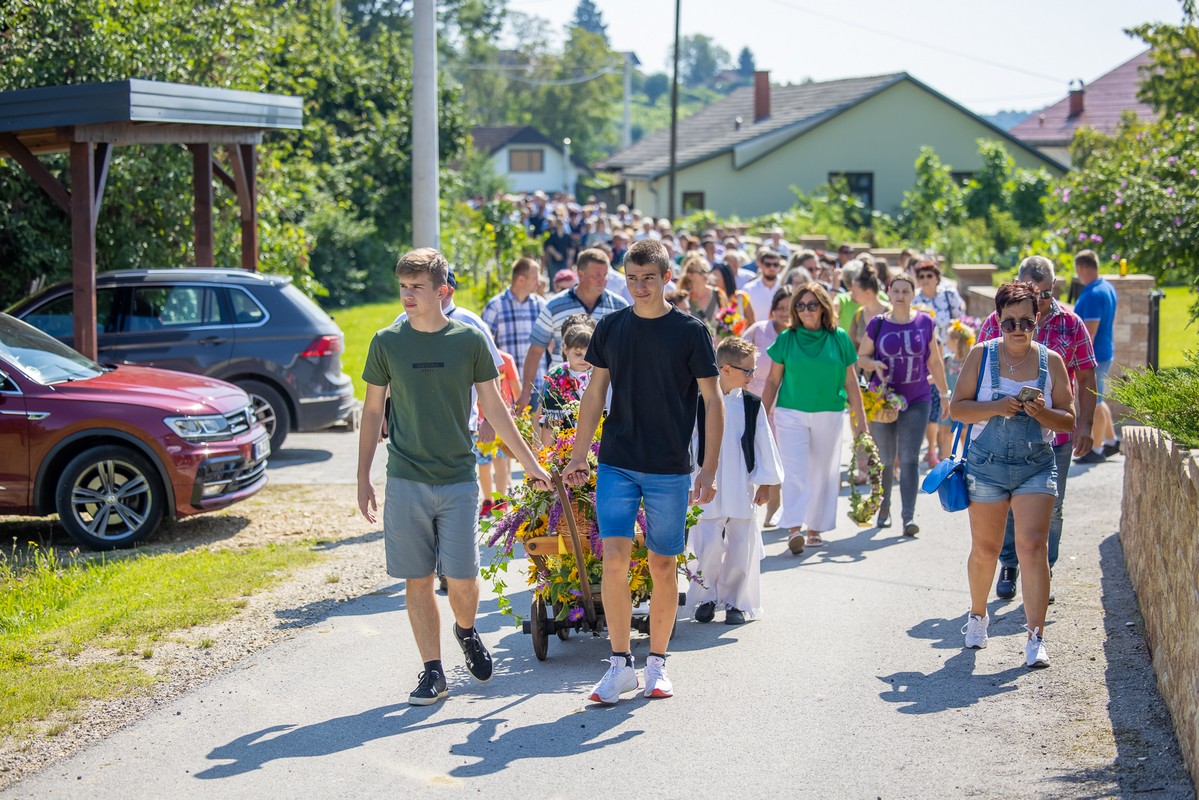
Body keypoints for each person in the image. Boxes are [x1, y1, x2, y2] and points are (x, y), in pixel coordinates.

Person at [357, 248, 552, 706]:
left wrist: (530, 463)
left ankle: (466, 630)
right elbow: (370, 412)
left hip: (460, 477)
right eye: (402, 286)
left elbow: (496, 410)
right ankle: (433, 671)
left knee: (462, 579)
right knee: (418, 578)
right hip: (405, 476)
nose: (407, 295)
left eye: (416, 287)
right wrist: (363, 476)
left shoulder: (469, 341)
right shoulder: (387, 342)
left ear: (442, 292)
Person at [563, 239, 723, 704]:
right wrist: (578, 455)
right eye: (631, 279)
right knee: (612, 557)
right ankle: (619, 665)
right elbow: (594, 395)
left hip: (670, 466)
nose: (639, 287)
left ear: (666, 278)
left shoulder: (690, 332)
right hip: (617, 460)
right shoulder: (611, 327)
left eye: (648, 278)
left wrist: (708, 469)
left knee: (661, 562)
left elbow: (713, 401)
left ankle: (657, 664)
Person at [950, 282, 1076, 668]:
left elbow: (1068, 418)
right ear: (998, 322)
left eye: (1026, 321)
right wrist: (997, 406)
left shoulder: (1050, 360)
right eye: (1009, 322)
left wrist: (1042, 413)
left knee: (1033, 546)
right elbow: (957, 409)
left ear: (1037, 321)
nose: (1018, 329)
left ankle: (1036, 637)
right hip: (986, 465)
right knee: (986, 550)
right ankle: (977, 616)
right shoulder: (980, 354)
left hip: (1035, 464)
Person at [976, 256, 1097, 604]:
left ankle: (1044, 568)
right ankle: (1011, 565)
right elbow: (977, 367)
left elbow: (1087, 376)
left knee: (1053, 507)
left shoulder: (1071, 323)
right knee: (1008, 505)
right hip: (1001, 434)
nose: (1038, 300)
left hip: (1054, 437)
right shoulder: (994, 322)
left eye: (1043, 294)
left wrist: (1085, 425)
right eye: (1031, 291)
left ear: (1053, 287)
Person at [763, 284, 868, 553]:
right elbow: (774, 380)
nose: (806, 310)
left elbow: (851, 381)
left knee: (824, 473)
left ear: (823, 307)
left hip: (829, 413)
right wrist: (758, 416)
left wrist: (861, 420)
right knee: (794, 470)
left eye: (812, 304)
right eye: (800, 305)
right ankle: (794, 528)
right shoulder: (787, 338)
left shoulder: (839, 337)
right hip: (790, 413)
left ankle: (815, 529)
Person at [688, 337, 784, 625]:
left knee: (742, 544)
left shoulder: (752, 406)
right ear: (726, 369)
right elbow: (690, 442)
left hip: (742, 485)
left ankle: (735, 602)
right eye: (748, 371)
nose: (753, 377)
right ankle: (706, 597)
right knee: (708, 545)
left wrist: (766, 483)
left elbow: (763, 444)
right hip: (705, 486)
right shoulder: (699, 401)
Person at [857, 273, 949, 535]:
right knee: (886, 458)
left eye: (905, 291)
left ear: (912, 294)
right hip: (883, 400)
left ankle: (908, 518)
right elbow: (862, 357)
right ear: (888, 293)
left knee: (908, 458)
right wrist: (873, 364)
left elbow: (934, 362)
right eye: (895, 291)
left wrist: (944, 395)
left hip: (916, 398)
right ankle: (884, 507)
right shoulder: (877, 324)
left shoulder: (925, 322)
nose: (900, 295)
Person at [517, 249, 628, 408]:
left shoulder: (619, 307)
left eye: (605, 275)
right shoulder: (554, 306)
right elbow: (536, 350)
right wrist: (526, 392)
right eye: (596, 275)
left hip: (605, 394)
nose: (602, 280)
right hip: (561, 392)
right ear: (581, 275)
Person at [744, 286, 792, 525]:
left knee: (783, 457)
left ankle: (778, 508)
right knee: (761, 456)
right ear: (773, 309)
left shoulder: (799, 335)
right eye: (780, 308)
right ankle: (766, 507)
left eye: (789, 308)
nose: (785, 313)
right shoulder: (758, 330)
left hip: (786, 405)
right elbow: (739, 357)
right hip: (757, 403)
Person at [914, 260, 966, 468]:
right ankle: (933, 447)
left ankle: (949, 452)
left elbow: (960, 319)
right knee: (932, 402)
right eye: (922, 276)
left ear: (937, 277)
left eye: (929, 276)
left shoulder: (948, 294)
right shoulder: (916, 299)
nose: (926, 280)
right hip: (926, 357)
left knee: (948, 400)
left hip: (950, 355)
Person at [1071, 249, 1120, 463]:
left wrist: (1075, 358)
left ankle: (1097, 448)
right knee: (1100, 397)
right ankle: (1110, 441)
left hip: (1094, 357)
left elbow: (1088, 333)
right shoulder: (1106, 287)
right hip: (1105, 352)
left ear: (1081, 268)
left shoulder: (1092, 295)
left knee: (1096, 402)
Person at [481, 257, 547, 396]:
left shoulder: (541, 305)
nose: (539, 282)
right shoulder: (495, 307)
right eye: (535, 277)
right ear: (521, 280)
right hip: (506, 386)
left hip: (537, 384)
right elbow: (485, 345)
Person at [538, 318, 596, 445]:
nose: (583, 359)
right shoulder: (555, 377)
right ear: (565, 349)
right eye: (577, 353)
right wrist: (546, 456)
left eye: (588, 353)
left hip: (599, 444)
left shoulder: (601, 372)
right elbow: (550, 422)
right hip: (565, 447)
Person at [678, 254, 729, 335]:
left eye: (707, 271)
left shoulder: (718, 294)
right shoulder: (684, 299)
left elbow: (728, 323)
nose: (705, 275)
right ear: (690, 275)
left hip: (716, 347)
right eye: (701, 272)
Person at [744, 249, 783, 322]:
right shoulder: (748, 289)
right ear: (760, 265)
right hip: (755, 332)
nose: (772, 268)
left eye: (775, 265)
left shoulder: (786, 287)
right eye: (768, 264)